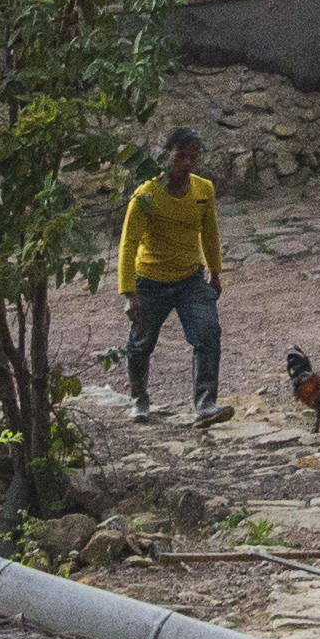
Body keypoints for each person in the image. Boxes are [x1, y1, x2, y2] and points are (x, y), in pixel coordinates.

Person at [118, 129, 226, 425]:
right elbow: (128, 244)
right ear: (165, 156)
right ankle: (139, 399)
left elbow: (210, 233)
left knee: (208, 333)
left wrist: (215, 272)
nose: (187, 163)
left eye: (193, 157)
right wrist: (129, 293)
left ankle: (206, 404)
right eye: (181, 156)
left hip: (191, 279)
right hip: (150, 282)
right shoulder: (146, 194)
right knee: (141, 344)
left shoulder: (203, 190)